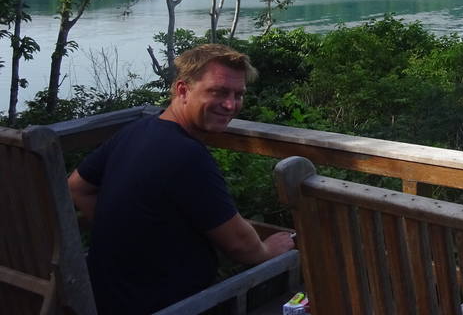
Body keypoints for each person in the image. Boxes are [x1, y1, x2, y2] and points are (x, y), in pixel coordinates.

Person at [68, 44, 295, 314]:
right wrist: (268, 250)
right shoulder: (186, 155)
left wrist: (131, 236)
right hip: (173, 304)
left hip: (108, 297)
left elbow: (77, 187)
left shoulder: (138, 131)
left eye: (238, 94)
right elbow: (241, 245)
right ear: (183, 90)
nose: (231, 104)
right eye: (219, 92)